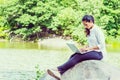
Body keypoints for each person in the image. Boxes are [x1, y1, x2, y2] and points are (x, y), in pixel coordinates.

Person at [47, 15, 107, 80]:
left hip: (99, 53)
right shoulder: (90, 30)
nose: (85, 26)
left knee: (79, 56)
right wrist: (84, 48)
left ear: (91, 21)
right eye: (84, 24)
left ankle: (58, 69)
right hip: (92, 51)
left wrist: (88, 49)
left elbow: (101, 45)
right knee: (73, 55)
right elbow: (91, 44)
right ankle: (61, 73)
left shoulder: (97, 30)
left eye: (86, 24)